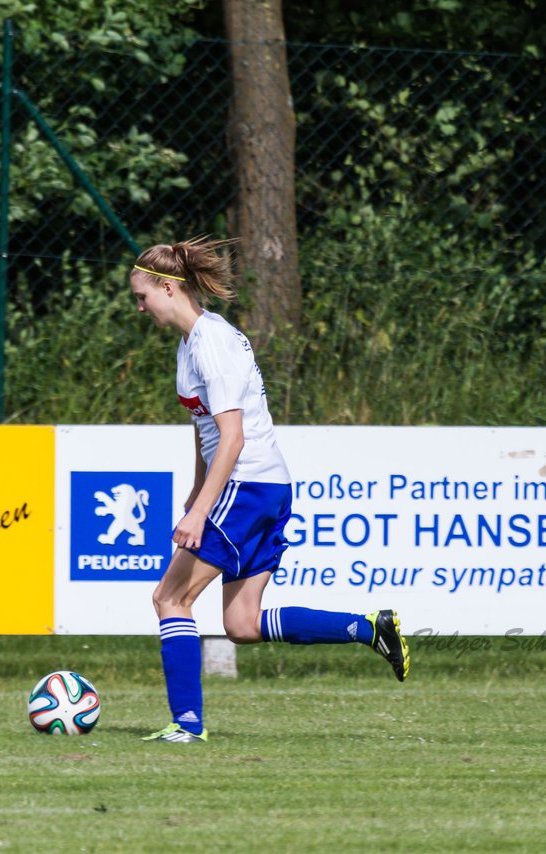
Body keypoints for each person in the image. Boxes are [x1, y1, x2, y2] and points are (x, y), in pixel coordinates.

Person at [130, 237, 410, 744]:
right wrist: (197, 490)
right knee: (242, 622)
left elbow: (233, 437)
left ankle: (186, 725)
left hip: (247, 483)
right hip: (266, 485)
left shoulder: (211, 344)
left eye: (142, 296)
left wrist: (202, 511)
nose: (139, 306)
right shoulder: (194, 342)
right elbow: (205, 426)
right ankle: (369, 627)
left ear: (168, 288)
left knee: (170, 597)